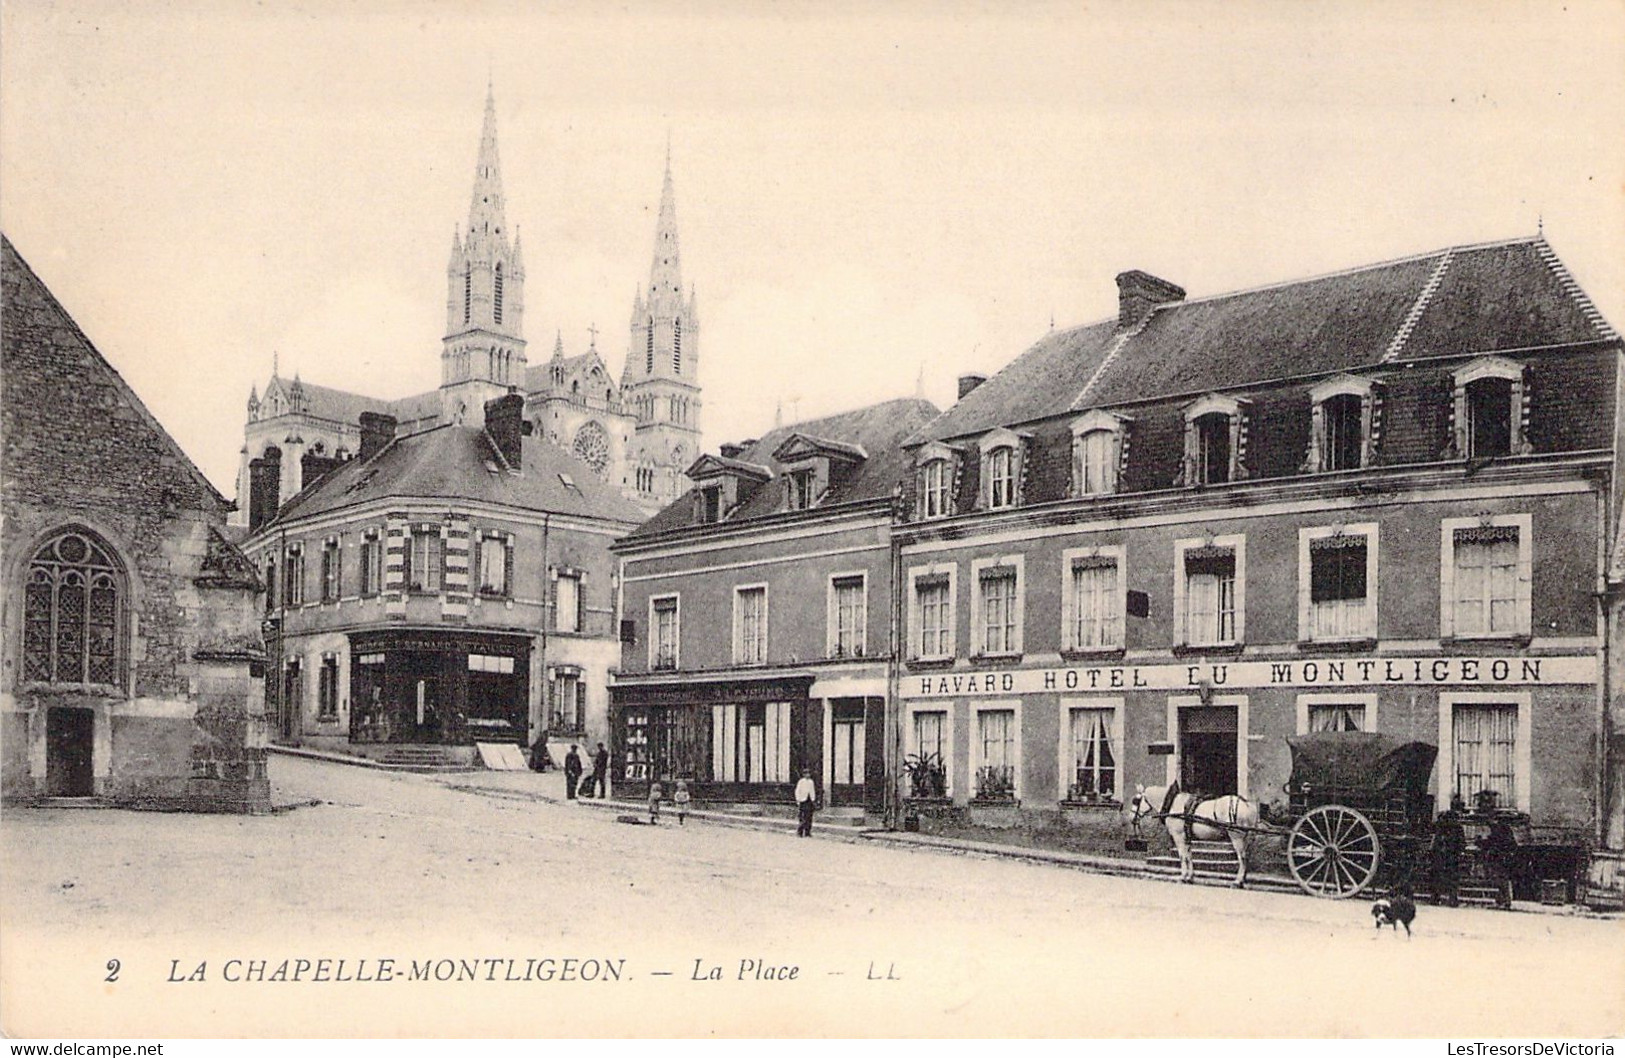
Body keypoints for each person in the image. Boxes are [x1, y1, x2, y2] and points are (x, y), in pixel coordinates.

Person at [1428, 809, 1466, 907]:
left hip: (1449, 857)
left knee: (1447, 878)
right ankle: (1438, 897)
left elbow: (1461, 843)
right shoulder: (1442, 829)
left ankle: (1448, 898)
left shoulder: (1454, 829)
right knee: (1443, 877)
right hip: (1444, 857)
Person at [1479, 818, 1519, 910]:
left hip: (1499, 859)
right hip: (1502, 858)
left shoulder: (1498, 831)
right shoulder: (1504, 831)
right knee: (1500, 880)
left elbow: (1491, 843)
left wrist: (1481, 841)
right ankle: (1502, 900)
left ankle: (1504, 901)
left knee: (1500, 880)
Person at [794, 770, 818, 837]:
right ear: (804, 775)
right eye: (806, 774)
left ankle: (807, 832)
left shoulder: (811, 782)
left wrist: (813, 799)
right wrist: (798, 800)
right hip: (803, 800)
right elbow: (797, 791)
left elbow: (812, 791)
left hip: (809, 801)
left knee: (809, 817)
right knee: (803, 817)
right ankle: (800, 832)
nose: (808, 775)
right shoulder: (801, 782)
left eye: (809, 774)